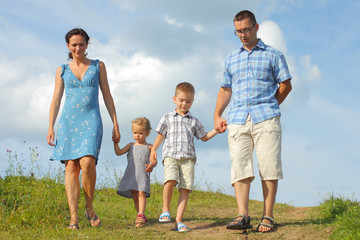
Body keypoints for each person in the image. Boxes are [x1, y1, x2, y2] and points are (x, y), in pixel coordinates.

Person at [214, 10, 292, 233]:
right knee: (239, 166)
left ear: (256, 27)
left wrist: (271, 105)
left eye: (246, 30)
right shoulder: (231, 58)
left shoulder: (273, 54)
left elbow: (286, 85)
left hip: (266, 118)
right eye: (238, 31)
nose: (243, 35)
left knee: (269, 166)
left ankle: (268, 216)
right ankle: (243, 215)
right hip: (238, 119)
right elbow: (225, 89)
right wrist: (217, 114)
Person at [47, 28, 120, 230]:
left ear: (87, 45)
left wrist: (115, 122)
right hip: (68, 122)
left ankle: (89, 208)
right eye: (74, 44)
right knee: (71, 166)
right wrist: (51, 126)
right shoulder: (61, 70)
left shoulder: (98, 66)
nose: (78, 48)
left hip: (91, 119)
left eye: (81, 44)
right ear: (68, 47)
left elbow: (107, 95)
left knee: (87, 161)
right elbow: (55, 100)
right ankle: (74, 218)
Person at [150, 82, 219, 232]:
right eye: (181, 100)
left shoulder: (194, 121)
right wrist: (153, 150)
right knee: (171, 179)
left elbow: (204, 137)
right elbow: (160, 135)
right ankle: (165, 210)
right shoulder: (167, 117)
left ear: (192, 101)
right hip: (171, 155)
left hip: (188, 159)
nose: (184, 103)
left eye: (188, 101)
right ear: (174, 99)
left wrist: (217, 130)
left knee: (185, 189)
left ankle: (179, 221)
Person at [114, 117, 154, 228]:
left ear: (147, 133)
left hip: (142, 175)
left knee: (141, 193)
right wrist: (115, 143)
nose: (137, 135)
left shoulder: (149, 147)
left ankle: (140, 214)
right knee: (135, 195)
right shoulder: (130, 145)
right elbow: (118, 152)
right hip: (131, 174)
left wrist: (152, 165)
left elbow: (154, 160)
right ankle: (140, 216)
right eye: (135, 133)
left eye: (140, 133)